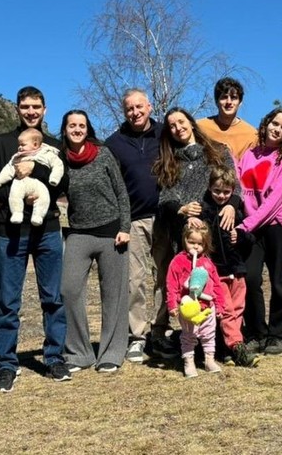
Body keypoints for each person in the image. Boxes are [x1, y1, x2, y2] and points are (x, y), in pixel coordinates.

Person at [0, 86, 71, 392]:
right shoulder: (3, 143)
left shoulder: (53, 146)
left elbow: (63, 181)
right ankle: (5, 363)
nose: (30, 111)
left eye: (36, 106)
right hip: (11, 232)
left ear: (45, 109)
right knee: (7, 301)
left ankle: (54, 358)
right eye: (25, 106)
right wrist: (16, 195)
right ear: (17, 109)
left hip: (47, 231)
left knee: (53, 298)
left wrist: (39, 190)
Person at [154, 107, 237, 355]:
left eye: (181, 122)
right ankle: (194, 344)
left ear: (191, 122)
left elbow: (236, 185)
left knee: (220, 285)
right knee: (191, 287)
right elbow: (164, 198)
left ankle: (225, 341)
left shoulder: (218, 151)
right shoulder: (169, 161)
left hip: (217, 230)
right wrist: (181, 209)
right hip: (187, 235)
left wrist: (232, 205)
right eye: (171, 125)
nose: (177, 128)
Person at [59, 110, 131, 373]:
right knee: (68, 290)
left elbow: (121, 192)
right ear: (65, 129)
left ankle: (111, 352)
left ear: (87, 128)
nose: (77, 129)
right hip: (78, 232)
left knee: (114, 295)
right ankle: (79, 353)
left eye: (81, 125)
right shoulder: (61, 159)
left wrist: (125, 227)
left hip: (112, 233)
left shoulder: (103, 154)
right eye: (72, 125)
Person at [105, 89, 173, 362]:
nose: (135, 112)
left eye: (139, 107)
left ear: (149, 106)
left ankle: (161, 331)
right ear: (124, 112)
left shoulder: (165, 133)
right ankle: (137, 336)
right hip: (133, 219)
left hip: (166, 218)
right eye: (129, 109)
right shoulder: (114, 143)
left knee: (166, 278)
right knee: (135, 280)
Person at [237, 108, 282, 356]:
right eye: (275, 123)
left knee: (279, 282)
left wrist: (246, 225)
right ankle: (256, 332)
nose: (277, 129)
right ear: (266, 124)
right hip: (254, 226)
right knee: (250, 278)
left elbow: (275, 201)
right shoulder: (249, 155)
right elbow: (241, 190)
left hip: (281, 226)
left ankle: (277, 335)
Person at [193, 166, 258, 367]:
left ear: (232, 191)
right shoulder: (204, 212)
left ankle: (227, 350)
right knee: (226, 310)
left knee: (238, 310)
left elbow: (251, 238)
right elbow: (197, 240)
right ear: (210, 188)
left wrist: (240, 237)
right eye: (217, 191)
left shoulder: (237, 212)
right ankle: (238, 347)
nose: (221, 196)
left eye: (226, 192)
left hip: (237, 270)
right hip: (216, 272)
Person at [166, 225, 226, 377]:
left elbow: (217, 285)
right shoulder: (178, 261)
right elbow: (171, 285)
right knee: (188, 335)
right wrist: (172, 304)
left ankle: (209, 359)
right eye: (191, 242)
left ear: (205, 245)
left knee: (209, 334)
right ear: (184, 240)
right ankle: (188, 361)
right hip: (188, 307)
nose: (196, 246)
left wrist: (219, 305)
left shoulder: (207, 263)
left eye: (200, 244)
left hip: (207, 307)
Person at [0, 128, 64, 225]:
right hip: (20, 182)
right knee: (14, 194)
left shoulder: (47, 153)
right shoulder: (17, 157)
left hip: (39, 185)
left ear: (35, 144)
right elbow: (8, 170)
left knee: (44, 198)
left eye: (23, 145)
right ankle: (16, 213)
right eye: (19, 145)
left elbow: (58, 166)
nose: (20, 147)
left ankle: (38, 216)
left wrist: (54, 178)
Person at [197, 77, 258, 161]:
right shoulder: (199, 127)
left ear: (240, 103)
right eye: (224, 97)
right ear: (216, 101)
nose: (229, 102)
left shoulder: (252, 135)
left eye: (234, 98)